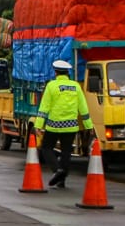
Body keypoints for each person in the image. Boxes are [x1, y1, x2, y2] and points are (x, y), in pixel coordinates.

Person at [33, 59, 94, 189]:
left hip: (54, 125)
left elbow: (44, 107)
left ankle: (57, 171)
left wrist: (38, 125)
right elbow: (83, 108)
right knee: (66, 151)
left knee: (46, 148)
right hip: (71, 125)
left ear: (56, 72)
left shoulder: (51, 86)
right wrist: (89, 126)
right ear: (67, 73)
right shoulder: (76, 86)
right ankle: (62, 180)